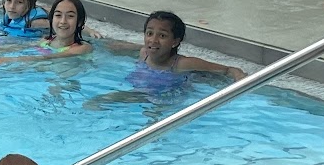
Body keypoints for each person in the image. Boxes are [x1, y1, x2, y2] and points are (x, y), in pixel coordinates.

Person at [90, 11, 238, 101]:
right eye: (149, 33)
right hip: (142, 95)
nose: (153, 40)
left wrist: (240, 76)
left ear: (175, 42)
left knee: (102, 101)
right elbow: (141, 47)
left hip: (167, 100)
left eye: (162, 36)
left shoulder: (182, 64)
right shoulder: (143, 53)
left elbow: (228, 70)